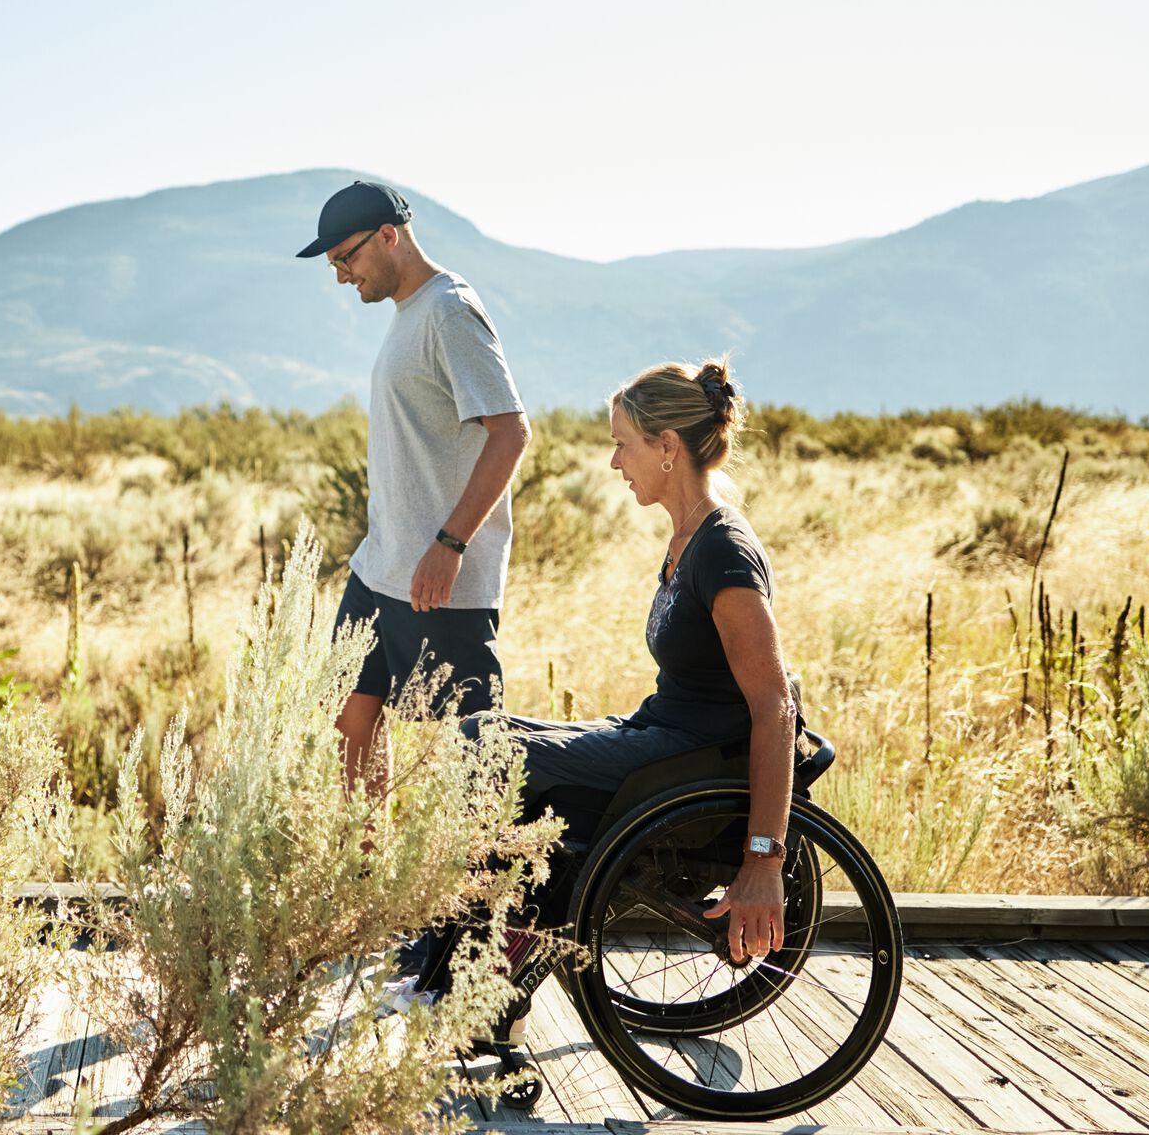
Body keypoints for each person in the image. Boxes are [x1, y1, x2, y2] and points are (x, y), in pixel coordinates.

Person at [483, 358, 796, 964]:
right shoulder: (688, 538)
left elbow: (775, 707)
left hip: (688, 759)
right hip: (657, 733)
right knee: (482, 734)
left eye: (623, 444)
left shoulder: (724, 551)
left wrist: (763, 860)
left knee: (488, 750)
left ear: (667, 447)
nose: (614, 463)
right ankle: (486, 953)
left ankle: (492, 961)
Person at [295, 180, 530, 786]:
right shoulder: (411, 312)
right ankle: (365, 849)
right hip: (381, 564)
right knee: (350, 710)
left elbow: (510, 432)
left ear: (388, 236)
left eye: (345, 258)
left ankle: (491, 852)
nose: (341, 276)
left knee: (474, 749)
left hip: (437, 579)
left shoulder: (449, 310)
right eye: (333, 265)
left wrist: (450, 544)